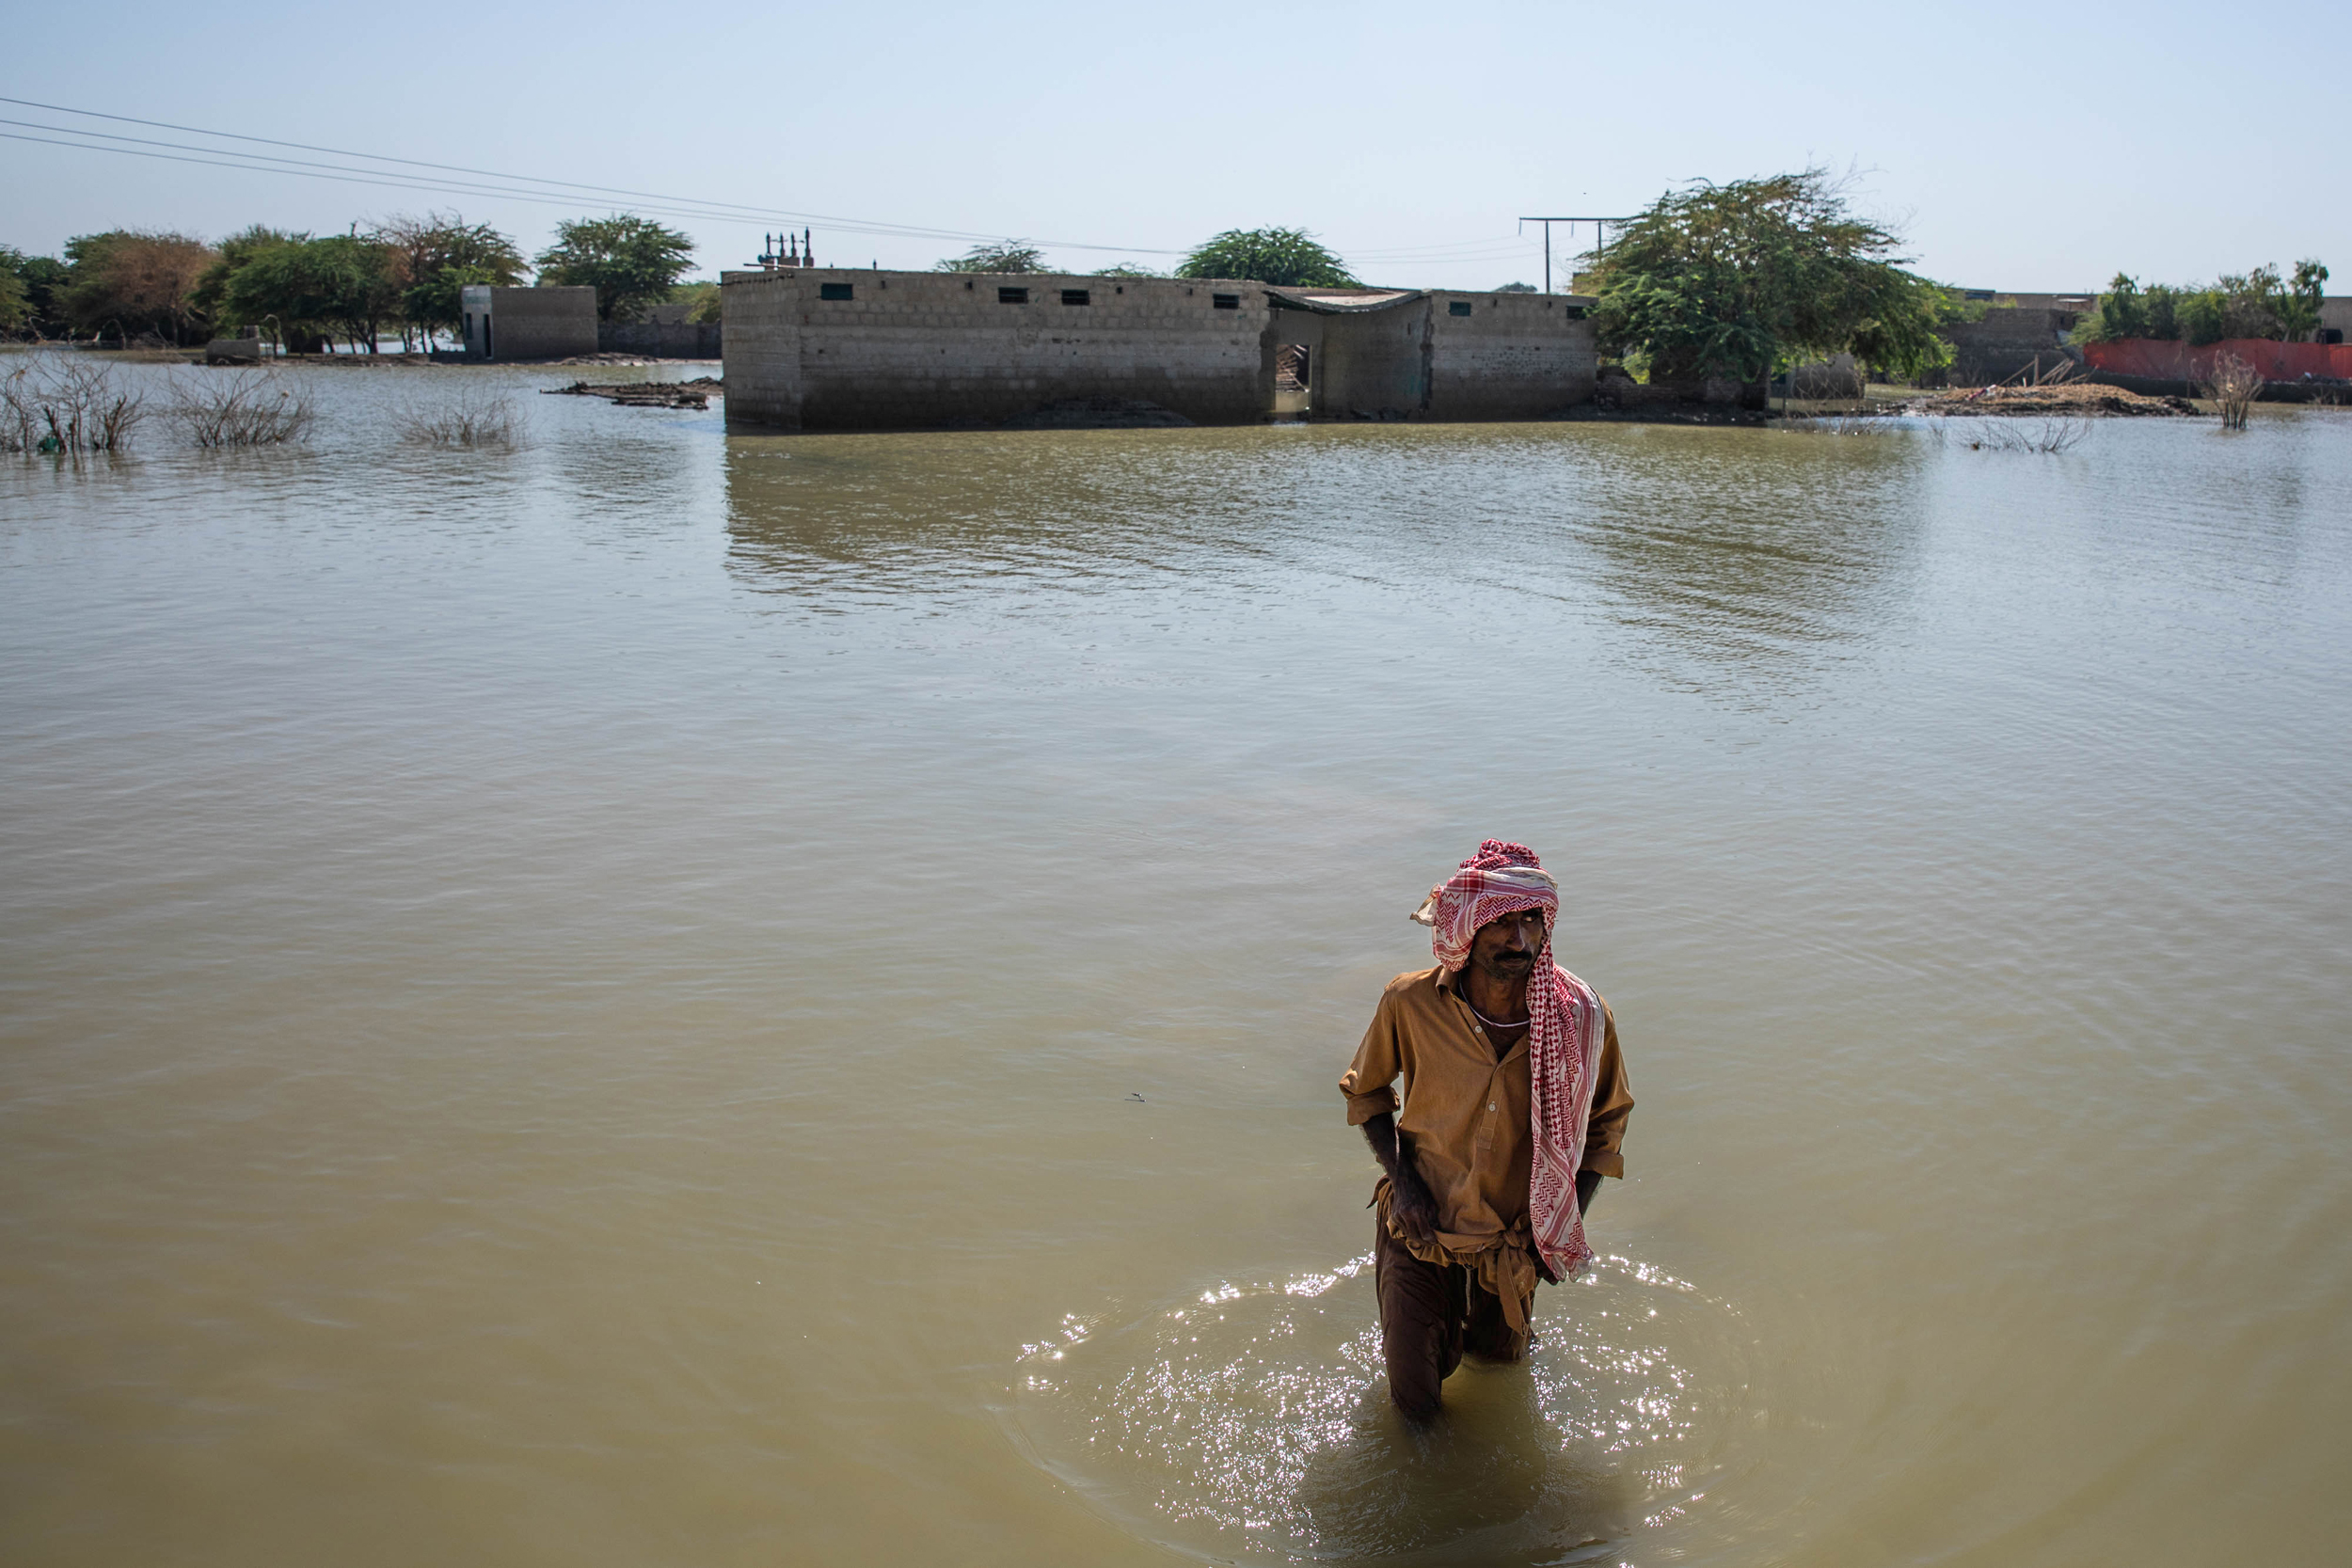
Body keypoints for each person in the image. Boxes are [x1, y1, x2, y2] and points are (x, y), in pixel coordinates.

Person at [1340, 839, 1632, 1420]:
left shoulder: (1578, 1017)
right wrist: (1403, 1180)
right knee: (1414, 1399)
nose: (1519, 942)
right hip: (1420, 1226)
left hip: (1514, 1243)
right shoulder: (1410, 1003)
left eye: (1531, 922)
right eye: (1502, 923)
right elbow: (1367, 1093)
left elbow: (1606, 1128)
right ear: (1469, 929)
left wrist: (1559, 1224)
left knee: (1499, 1374)